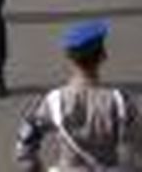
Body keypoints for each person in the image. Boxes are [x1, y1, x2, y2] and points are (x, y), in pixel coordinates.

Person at [15, 20, 142, 170]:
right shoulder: (120, 102)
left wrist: (33, 166)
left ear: (69, 58)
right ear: (102, 56)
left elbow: (25, 141)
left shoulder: (53, 101)